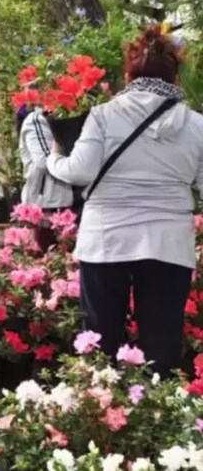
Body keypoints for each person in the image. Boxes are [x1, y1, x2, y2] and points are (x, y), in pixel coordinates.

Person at [46, 25, 203, 377]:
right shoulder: (197, 125)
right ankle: (159, 411)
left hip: (107, 238)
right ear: (175, 77)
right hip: (168, 240)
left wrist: (53, 157)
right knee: (162, 336)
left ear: (129, 73)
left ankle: (102, 412)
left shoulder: (103, 115)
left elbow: (81, 171)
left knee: (99, 335)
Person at [19, 106, 74, 251]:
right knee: (45, 258)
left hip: (68, 201)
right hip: (47, 203)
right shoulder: (37, 119)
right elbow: (44, 161)